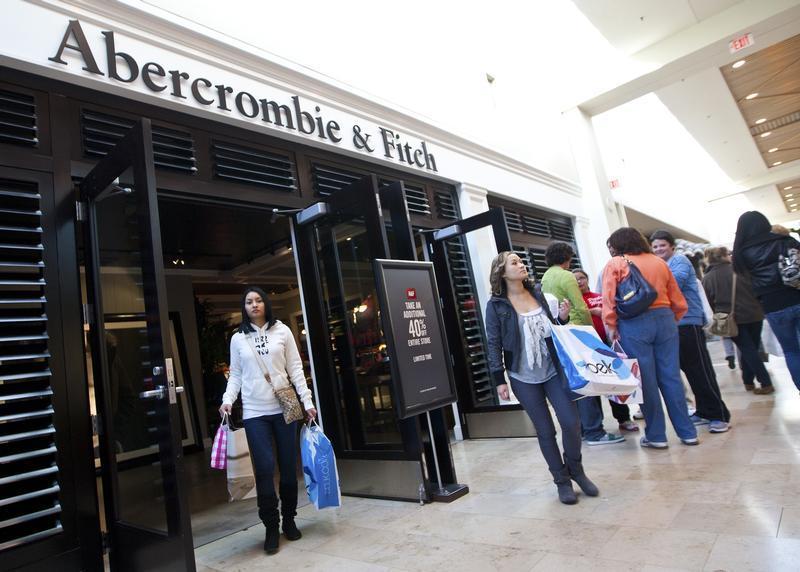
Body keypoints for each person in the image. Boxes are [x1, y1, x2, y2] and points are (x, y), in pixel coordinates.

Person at [485, 251, 599, 504]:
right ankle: (561, 481)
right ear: (502, 272)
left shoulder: (537, 292)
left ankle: (576, 470)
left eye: (521, 261)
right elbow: (493, 342)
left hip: (553, 369)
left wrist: (563, 318)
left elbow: (553, 327)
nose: (521, 264)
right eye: (514, 262)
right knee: (545, 431)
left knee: (571, 423)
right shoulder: (496, 305)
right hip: (522, 376)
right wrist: (498, 378)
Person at [219, 287, 317, 555]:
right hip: (254, 413)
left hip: (284, 408)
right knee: (263, 469)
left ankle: (290, 520)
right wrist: (228, 399)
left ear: (266, 304)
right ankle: (271, 526)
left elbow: (295, 369)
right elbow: (235, 374)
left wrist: (307, 402)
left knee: (288, 467)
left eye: (258, 300)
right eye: (249, 301)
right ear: (244, 307)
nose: (254, 305)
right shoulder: (238, 338)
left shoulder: (282, 331)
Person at [602, 228, 699, 449]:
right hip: (665, 319)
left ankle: (656, 436)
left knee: (645, 381)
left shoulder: (616, 263)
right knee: (671, 377)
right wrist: (671, 318)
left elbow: (608, 299)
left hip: (634, 323)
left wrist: (611, 325)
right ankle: (688, 432)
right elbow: (678, 298)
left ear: (618, 245)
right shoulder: (659, 262)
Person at [541, 242, 625, 446]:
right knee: (588, 381)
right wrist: (592, 333)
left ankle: (584, 430)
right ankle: (595, 431)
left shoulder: (545, 278)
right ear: (567, 257)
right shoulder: (566, 276)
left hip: (560, 333)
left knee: (575, 382)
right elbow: (579, 305)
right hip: (577, 332)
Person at [650, 230, 731, 433]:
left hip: (688, 322)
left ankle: (718, 414)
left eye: (662, 245)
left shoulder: (680, 262)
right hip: (673, 324)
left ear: (672, 247)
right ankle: (704, 411)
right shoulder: (661, 265)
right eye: (655, 246)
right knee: (689, 370)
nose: (659, 249)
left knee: (700, 370)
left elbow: (671, 284)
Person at [734, 211, 800, 391]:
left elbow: (747, 280)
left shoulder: (742, 252)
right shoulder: (785, 240)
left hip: (772, 305)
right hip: (796, 295)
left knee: (791, 351)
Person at [572, 268, 638, 432]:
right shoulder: (574, 301)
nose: (579, 281)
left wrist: (600, 313)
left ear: (587, 279)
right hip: (586, 349)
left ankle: (624, 419)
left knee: (613, 384)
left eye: (582, 278)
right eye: (576, 279)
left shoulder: (599, 297)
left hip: (606, 346)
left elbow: (613, 315)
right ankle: (596, 425)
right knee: (592, 388)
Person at [702, 246, 774, 394]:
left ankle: (765, 383)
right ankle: (748, 381)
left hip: (730, 319)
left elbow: (709, 302)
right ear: (724, 256)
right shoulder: (741, 270)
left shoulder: (708, 278)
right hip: (754, 314)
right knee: (751, 348)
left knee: (747, 349)